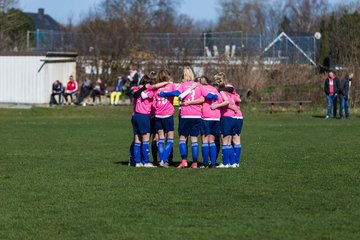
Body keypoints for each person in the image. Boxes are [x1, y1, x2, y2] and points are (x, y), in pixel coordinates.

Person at [131, 75, 156, 168]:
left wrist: (141, 88)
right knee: (145, 140)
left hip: (135, 116)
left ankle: (138, 162)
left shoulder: (137, 89)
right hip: (143, 116)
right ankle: (146, 162)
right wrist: (145, 88)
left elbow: (136, 94)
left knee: (137, 140)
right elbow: (142, 95)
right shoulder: (149, 91)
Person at [199, 76, 221, 168]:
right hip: (216, 117)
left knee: (204, 140)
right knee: (212, 141)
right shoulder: (215, 89)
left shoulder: (201, 88)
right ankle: (212, 163)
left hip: (206, 117)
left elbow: (203, 98)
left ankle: (205, 163)